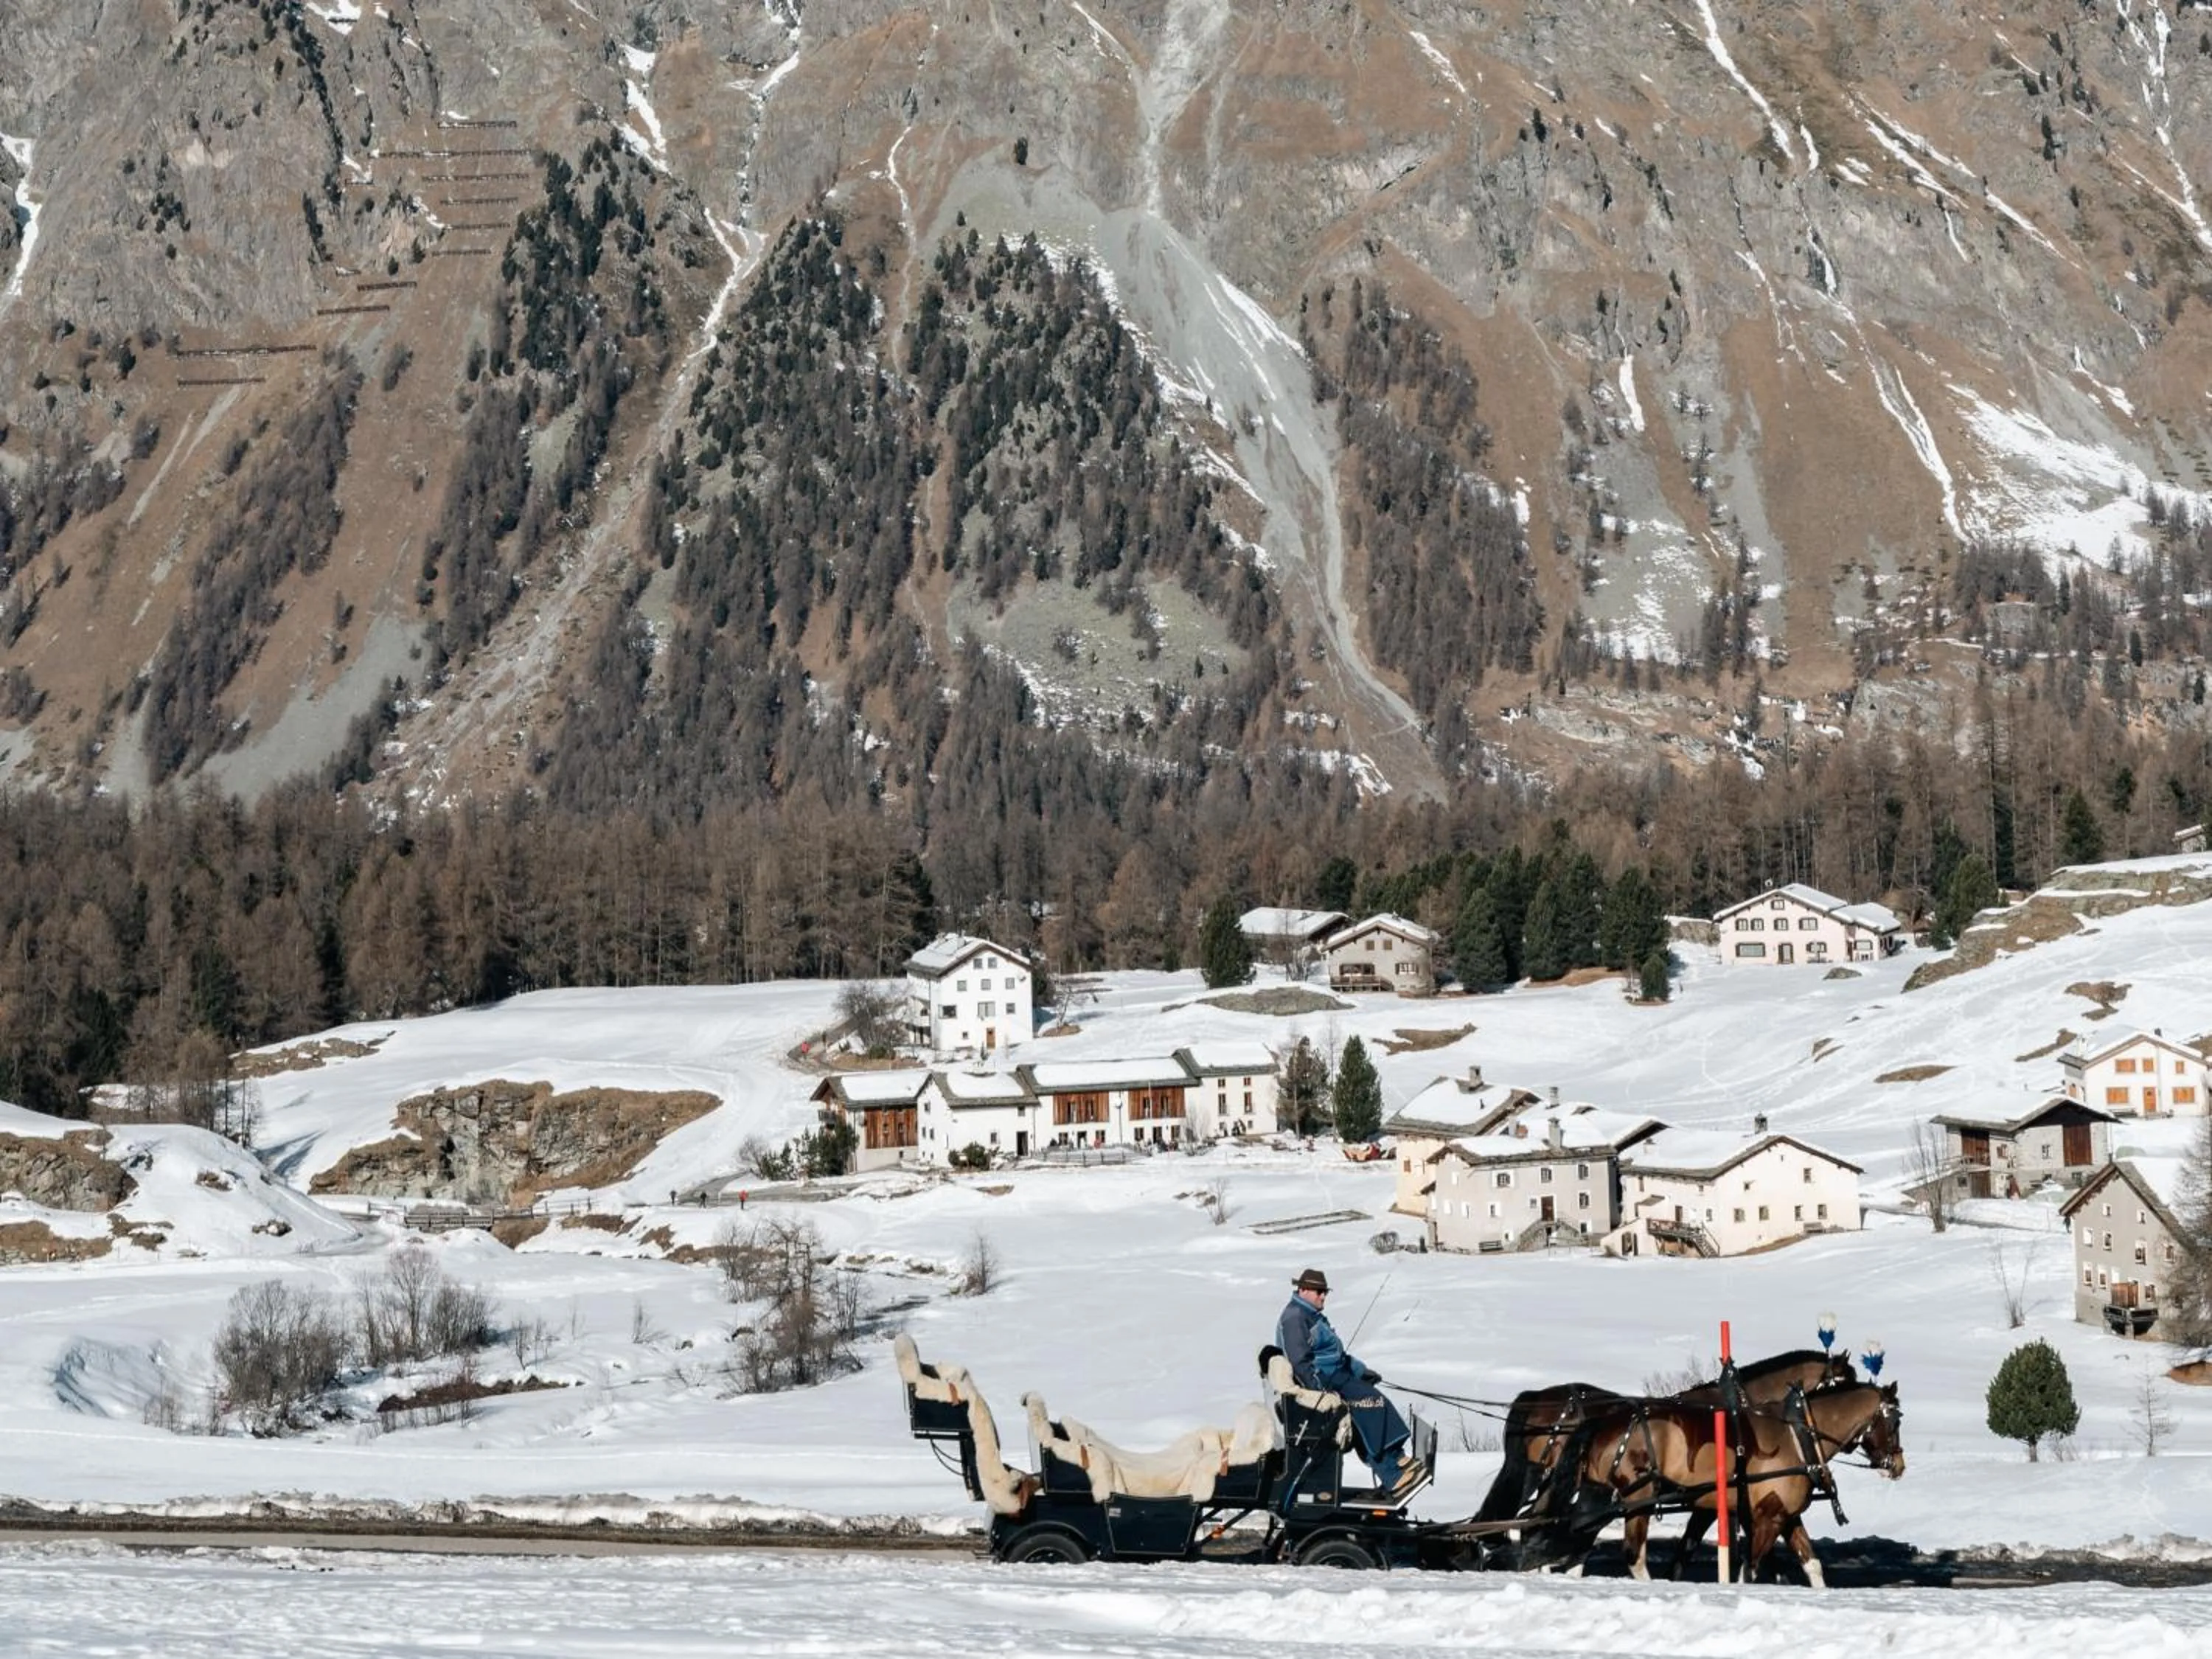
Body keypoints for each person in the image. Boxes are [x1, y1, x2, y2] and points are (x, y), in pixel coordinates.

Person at [1275, 1267, 1420, 1495]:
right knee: (1370, 1402)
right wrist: (1321, 1394)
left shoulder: (1309, 1314)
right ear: (1303, 1290)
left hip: (1337, 1376)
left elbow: (1336, 1356)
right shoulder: (1295, 1318)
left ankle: (1395, 1458)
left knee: (1372, 1399)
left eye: (1325, 1292)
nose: (1323, 1296)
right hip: (1325, 1383)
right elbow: (1300, 1363)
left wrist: (1360, 1371)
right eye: (1319, 1292)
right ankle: (1392, 1472)